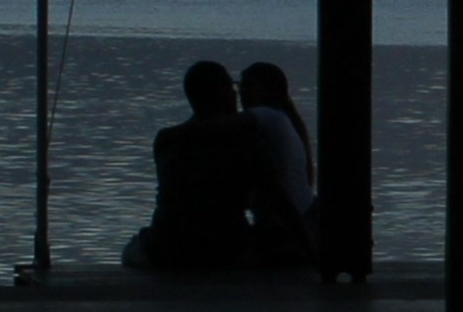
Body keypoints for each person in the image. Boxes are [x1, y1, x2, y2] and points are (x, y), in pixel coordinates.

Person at [123, 61, 263, 270]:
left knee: (133, 247)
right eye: (231, 87)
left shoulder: (166, 139)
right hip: (228, 248)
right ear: (223, 93)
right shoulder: (244, 136)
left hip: (167, 246)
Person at [239, 60, 317, 266]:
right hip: (305, 215)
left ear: (270, 90)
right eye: (240, 87)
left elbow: (221, 124)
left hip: (284, 230)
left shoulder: (265, 116)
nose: (242, 93)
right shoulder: (286, 120)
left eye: (248, 86)